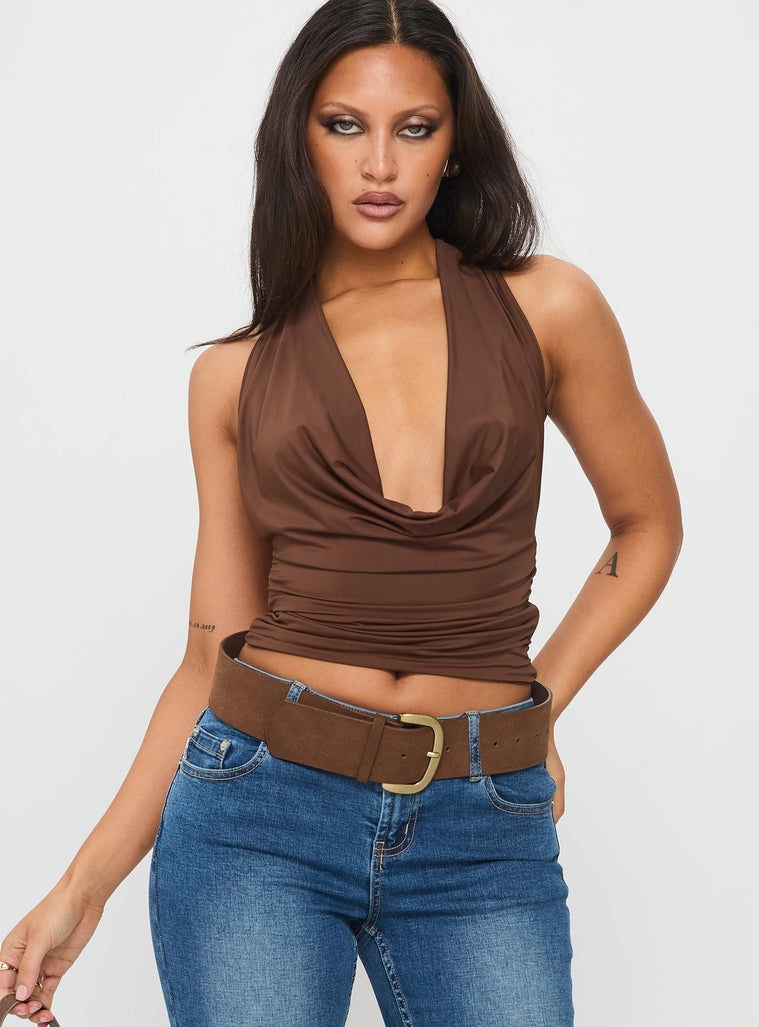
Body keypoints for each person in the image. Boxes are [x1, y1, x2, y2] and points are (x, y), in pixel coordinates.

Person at [0, 1, 684, 1024]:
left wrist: (541, 701)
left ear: (455, 146)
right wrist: (79, 890)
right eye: (344, 125)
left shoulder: (548, 306)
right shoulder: (233, 375)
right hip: (256, 816)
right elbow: (208, 657)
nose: (379, 164)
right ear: (299, 139)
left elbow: (647, 523)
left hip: (482, 827)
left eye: (415, 128)